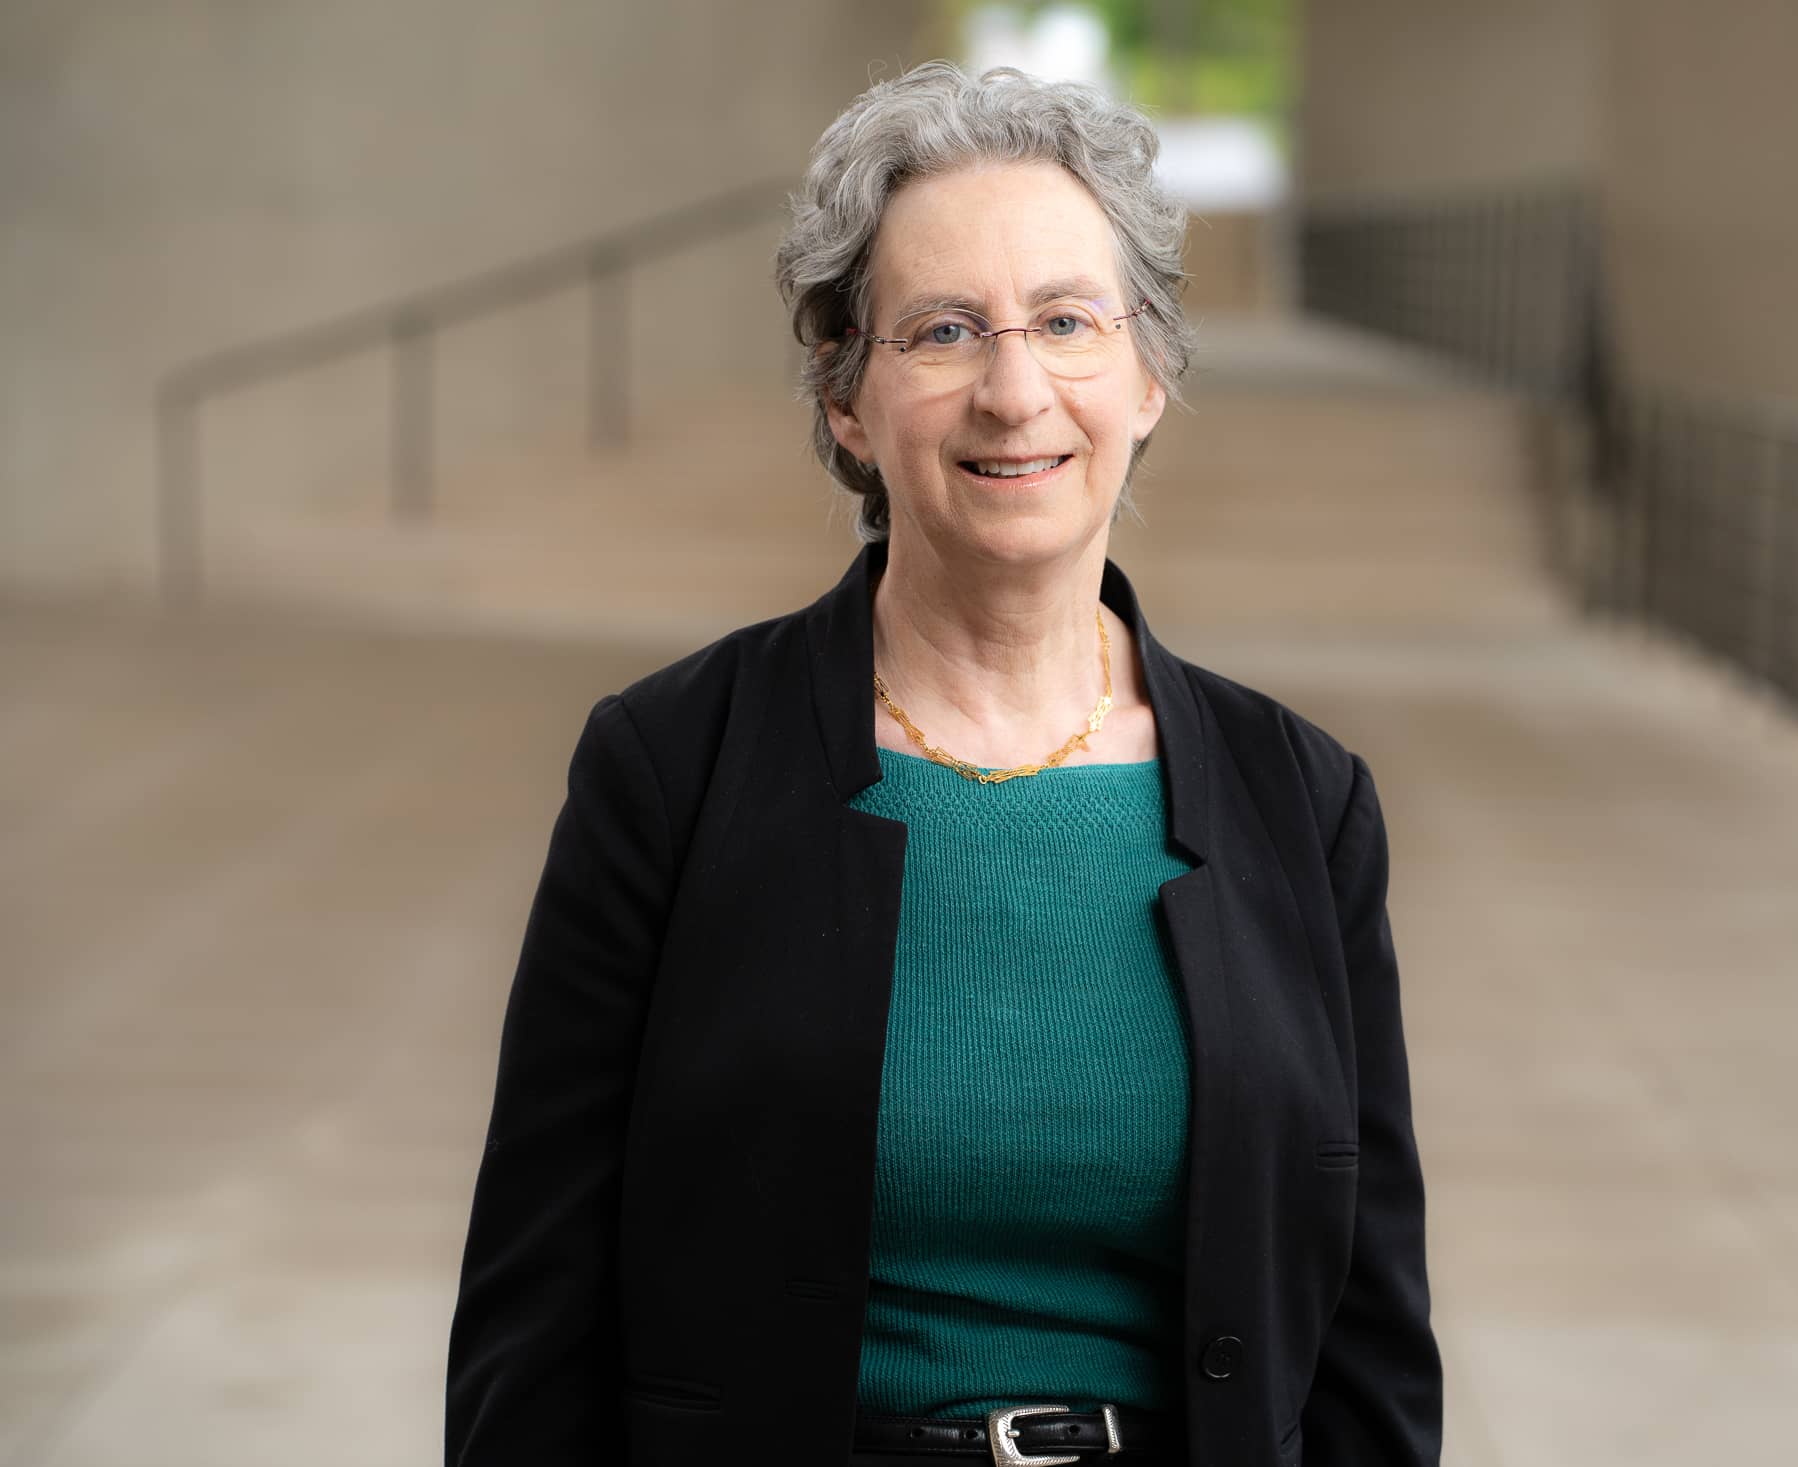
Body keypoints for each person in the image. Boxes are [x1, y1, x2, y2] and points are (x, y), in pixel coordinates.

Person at [445, 60, 1441, 1467]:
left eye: (1067, 321)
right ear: (848, 398)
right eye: (946, 331)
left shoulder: (1306, 803)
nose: (1014, 388)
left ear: (1148, 374)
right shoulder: (669, 769)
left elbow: (1369, 1349)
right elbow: (530, 1331)